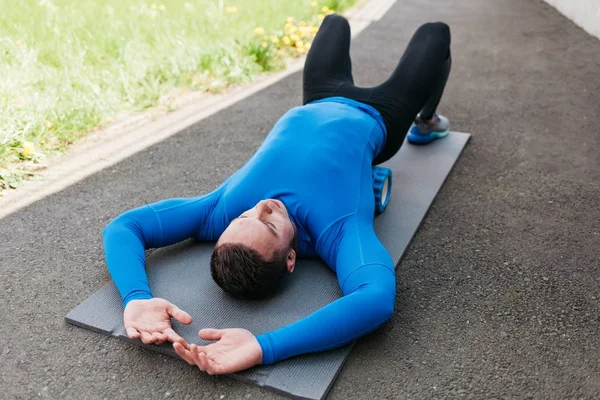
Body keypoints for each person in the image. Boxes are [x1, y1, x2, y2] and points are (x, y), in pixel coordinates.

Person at [102, 14, 452, 375]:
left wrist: (136, 298)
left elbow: (124, 227)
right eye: (269, 225)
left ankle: (423, 119)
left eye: (244, 217)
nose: (262, 207)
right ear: (290, 259)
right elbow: (375, 299)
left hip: (319, 97)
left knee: (335, 22)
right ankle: (427, 122)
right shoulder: (338, 232)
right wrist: (263, 346)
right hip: (383, 115)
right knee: (435, 33)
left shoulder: (217, 213)